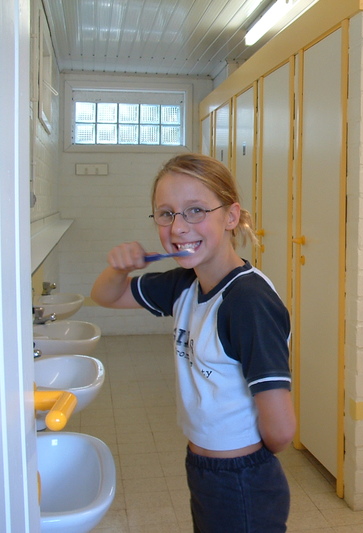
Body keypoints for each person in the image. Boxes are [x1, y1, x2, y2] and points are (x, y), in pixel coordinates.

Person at [91, 153, 296, 532]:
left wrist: (245, 458)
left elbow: (281, 429)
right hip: (205, 466)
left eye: (195, 210)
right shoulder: (186, 283)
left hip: (241, 476)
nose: (179, 227)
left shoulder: (247, 301)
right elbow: (107, 296)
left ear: (230, 216)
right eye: (166, 213)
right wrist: (119, 268)